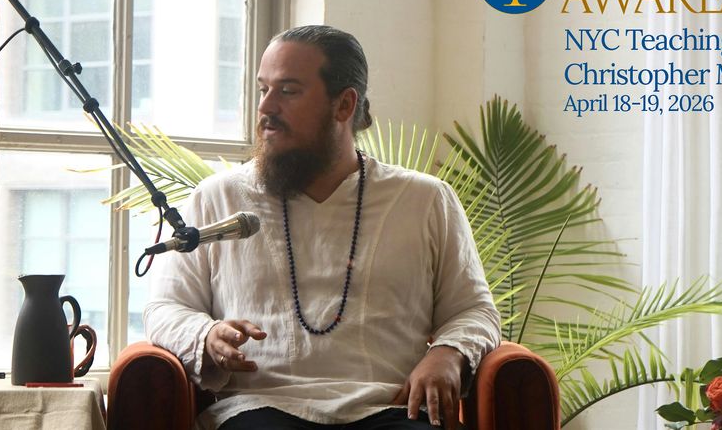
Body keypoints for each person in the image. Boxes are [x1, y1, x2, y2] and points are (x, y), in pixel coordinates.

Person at [144, 25, 501, 430]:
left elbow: (474, 309)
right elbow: (165, 307)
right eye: (263, 89)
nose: (266, 107)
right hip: (258, 408)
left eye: (288, 91)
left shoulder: (425, 199)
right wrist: (206, 335)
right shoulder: (217, 198)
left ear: (344, 105)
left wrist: (449, 353)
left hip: (389, 409)